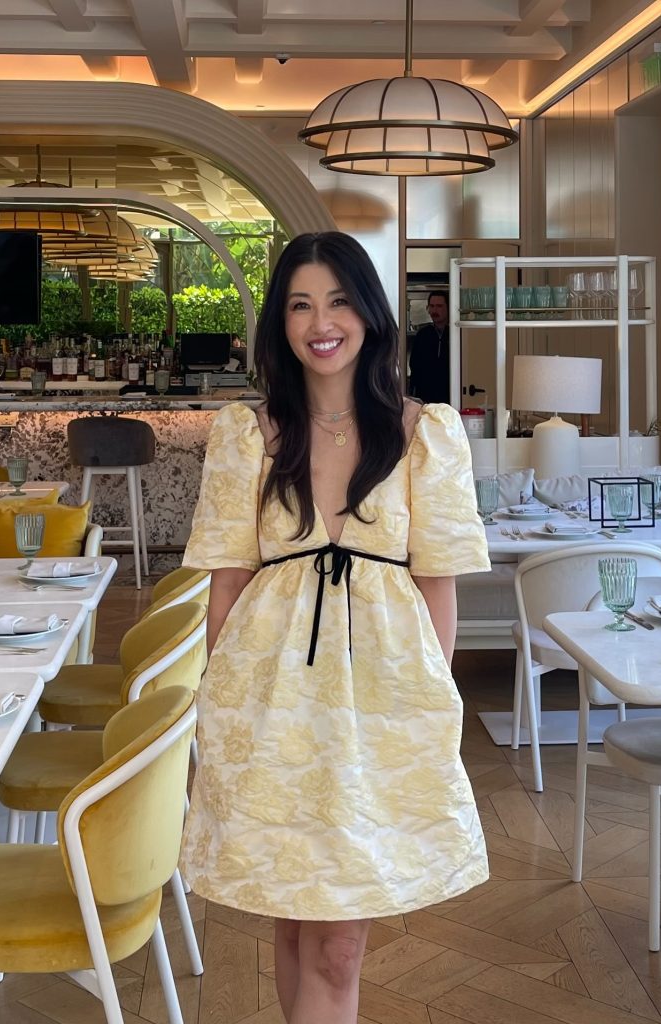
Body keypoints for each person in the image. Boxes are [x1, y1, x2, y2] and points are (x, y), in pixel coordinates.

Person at [179, 232, 490, 1024]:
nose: (322, 323)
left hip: (383, 707)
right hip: (270, 703)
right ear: (280, 323)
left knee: (339, 943)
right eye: (300, 305)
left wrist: (434, 711)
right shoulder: (246, 434)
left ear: (370, 313)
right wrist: (221, 711)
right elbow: (228, 583)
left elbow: (438, 586)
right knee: (294, 911)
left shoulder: (426, 433)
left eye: (339, 301)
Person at [409, 289, 450, 403]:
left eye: (439, 306)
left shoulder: (456, 335)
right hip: (425, 396)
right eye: (431, 306)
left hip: (450, 394)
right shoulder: (423, 335)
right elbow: (414, 366)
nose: (434, 310)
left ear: (448, 308)